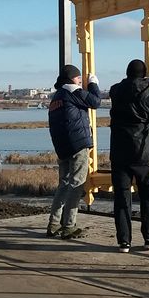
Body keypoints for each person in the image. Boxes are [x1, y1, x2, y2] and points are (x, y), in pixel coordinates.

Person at [109, 59, 149, 253]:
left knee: (122, 197)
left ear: (127, 73)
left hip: (119, 153)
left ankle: (124, 242)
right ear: (144, 75)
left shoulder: (116, 92)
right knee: (147, 196)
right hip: (144, 154)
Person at [47, 64, 100, 239]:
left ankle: (54, 224)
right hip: (78, 145)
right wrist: (93, 84)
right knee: (76, 185)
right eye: (78, 78)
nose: (79, 81)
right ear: (72, 78)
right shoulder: (73, 90)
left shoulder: (56, 97)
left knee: (63, 185)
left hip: (62, 147)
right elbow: (95, 102)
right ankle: (69, 226)